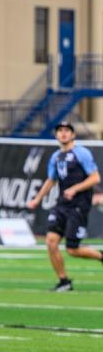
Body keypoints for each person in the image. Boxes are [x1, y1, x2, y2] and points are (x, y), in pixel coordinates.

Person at [26, 121, 103, 291]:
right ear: (56, 135)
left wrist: (75, 188)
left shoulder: (81, 153)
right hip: (62, 205)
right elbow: (51, 180)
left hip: (79, 206)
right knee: (51, 242)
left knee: (72, 250)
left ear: (73, 135)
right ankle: (64, 281)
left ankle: (101, 256)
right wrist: (37, 199)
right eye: (60, 130)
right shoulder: (55, 157)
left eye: (67, 130)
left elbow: (95, 178)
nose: (63, 133)